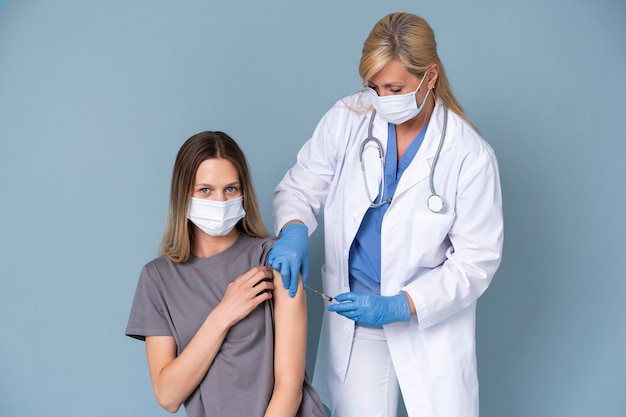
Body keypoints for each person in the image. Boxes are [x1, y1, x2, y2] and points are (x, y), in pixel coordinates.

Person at [269, 12, 504, 417]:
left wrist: (402, 305)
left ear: (430, 77)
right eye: (374, 87)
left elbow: (476, 261)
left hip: (429, 322)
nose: (381, 100)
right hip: (358, 315)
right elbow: (301, 186)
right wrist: (292, 230)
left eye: (395, 88)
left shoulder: (469, 155)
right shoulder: (348, 118)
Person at [125, 131, 325, 417]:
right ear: (184, 195)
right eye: (205, 190)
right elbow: (168, 395)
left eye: (230, 189)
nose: (220, 201)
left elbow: (289, 384)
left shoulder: (274, 259)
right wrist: (223, 314)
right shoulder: (157, 279)